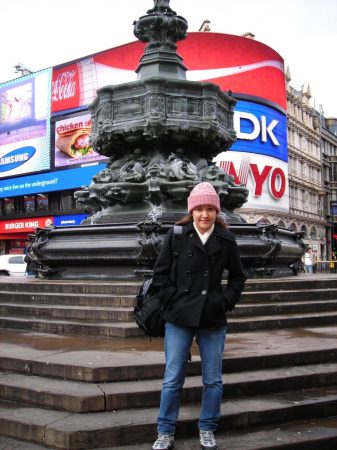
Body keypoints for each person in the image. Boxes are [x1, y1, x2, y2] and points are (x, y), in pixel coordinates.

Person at [151, 182, 247, 450]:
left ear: (217, 212)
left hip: (212, 318)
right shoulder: (178, 235)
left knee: (213, 378)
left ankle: (207, 427)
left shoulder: (226, 240)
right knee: (172, 377)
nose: (204, 215)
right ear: (191, 211)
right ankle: (165, 431)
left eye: (210, 209)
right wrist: (172, 300)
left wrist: (223, 302)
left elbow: (238, 278)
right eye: (199, 209)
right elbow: (160, 275)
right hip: (179, 316)